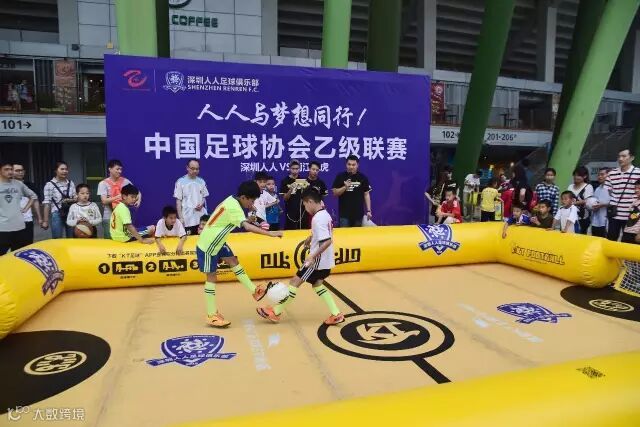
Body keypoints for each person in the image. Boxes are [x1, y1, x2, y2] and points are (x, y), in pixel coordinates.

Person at [197, 180, 284, 328]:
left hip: (219, 241)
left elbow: (230, 219)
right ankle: (211, 315)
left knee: (233, 261)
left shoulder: (232, 200)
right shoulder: (235, 207)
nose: (252, 204)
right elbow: (247, 228)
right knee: (211, 277)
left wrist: (247, 219)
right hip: (209, 244)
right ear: (243, 197)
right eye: (251, 201)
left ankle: (254, 291)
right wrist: (271, 234)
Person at [256, 187, 344, 326]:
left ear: (310, 202)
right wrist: (311, 237)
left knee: (294, 282)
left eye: (304, 204)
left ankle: (276, 312)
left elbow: (327, 241)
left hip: (316, 261)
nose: (305, 208)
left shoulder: (318, 219)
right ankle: (336, 314)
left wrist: (312, 256)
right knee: (317, 285)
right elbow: (324, 233)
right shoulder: (324, 213)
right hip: (326, 261)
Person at [0, 160, 37, 254]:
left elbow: (33, 196)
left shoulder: (18, 184)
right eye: (6, 169)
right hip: (2, 227)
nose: (10, 172)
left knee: (18, 254)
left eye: (11, 169)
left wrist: (26, 208)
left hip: (19, 226)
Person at [605, 149, 640, 241]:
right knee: (611, 239)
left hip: (632, 214)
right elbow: (608, 191)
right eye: (619, 156)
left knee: (628, 241)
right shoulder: (612, 173)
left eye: (624, 156)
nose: (620, 159)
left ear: (632, 158)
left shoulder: (638, 173)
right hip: (615, 213)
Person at [98, 159, 137, 239]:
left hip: (123, 216)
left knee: (125, 238)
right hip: (109, 216)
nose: (120, 171)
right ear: (110, 169)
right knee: (109, 240)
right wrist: (118, 196)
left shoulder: (125, 181)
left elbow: (137, 192)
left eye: (121, 169)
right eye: (117, 169)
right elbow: (104, 201)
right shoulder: (103, 183)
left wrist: (138, 200)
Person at [332, 155, 372, 227]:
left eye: (353, 165)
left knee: (357, 234)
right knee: (344, 233)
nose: (351, 167)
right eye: (349, 164)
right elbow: (335, 193)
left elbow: (366, 194)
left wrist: (368, 210)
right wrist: (345, 187)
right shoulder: (340, 176)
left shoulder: (362, 178)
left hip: (358, 214)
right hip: (344, 215)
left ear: (357, 165)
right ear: (346, 164)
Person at [42, 161, 77, 239]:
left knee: (72, 237)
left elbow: (75, 198)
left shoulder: (71, 183)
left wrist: (73, 199)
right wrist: (45, 221)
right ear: (56, 170)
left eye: (66, 169)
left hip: (71, 213)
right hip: (57, 213)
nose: (65, 171)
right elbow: (47, 203)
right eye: (62, 169)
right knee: (57, 238)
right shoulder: (49, 185)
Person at [174, 159, 209, 235]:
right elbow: (178, 201)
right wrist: (181, 218)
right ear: (187, 168)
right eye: (193, 168)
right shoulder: (180, 181)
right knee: (188, 240)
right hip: (187, 219)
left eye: (197, 169)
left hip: (201, 218)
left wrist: (201, 204)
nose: (195, 171)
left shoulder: (201, 181)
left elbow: (204, 197)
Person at [12, 163, 43, 247]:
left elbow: (35, 201)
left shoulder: (30, 185)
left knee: (28, 245)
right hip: (12, 221)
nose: (20, 172)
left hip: (27, 219)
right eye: (17, 171)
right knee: (15, 246)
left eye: (21, 170)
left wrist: (39, 218)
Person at [568, 166, 593, 235]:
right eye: (575, 175)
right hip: (570, 217)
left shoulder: (588, 186)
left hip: (583, 217)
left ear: (585, 176)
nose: (576, 177)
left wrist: (572, 203)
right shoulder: (570, 186)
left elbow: (587, 201)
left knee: (581, 236)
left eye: (578, 175)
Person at [302, 161, 328, 229]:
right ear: (309, 169)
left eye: (317, 170)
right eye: (313, 169)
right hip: (304, 212)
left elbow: (324, 196)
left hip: (317, 212)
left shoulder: (321, 183)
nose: (315, 171)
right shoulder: (303, 182)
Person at [280, 160, 304, 230]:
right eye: (293, 169)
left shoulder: (303, 181)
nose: (295, 171)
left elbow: (306, 196)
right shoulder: (285, 181)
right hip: (290, 211)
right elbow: (285, 198)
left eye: (297, 169)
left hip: (302, 211)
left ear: (299, 169)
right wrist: (290, 189)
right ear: (289, 169)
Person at [590, 168, 611, 238]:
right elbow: (594, 202)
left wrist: (602, 205)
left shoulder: (612, 188)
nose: (599, 176)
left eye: (602, 174)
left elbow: (615, 203)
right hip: (595, 221)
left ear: (609, 175)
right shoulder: (597, 189)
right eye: (598, 175)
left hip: (606, 222)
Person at [621, 179, 640, 244]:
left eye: (639, 188)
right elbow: (633, 217)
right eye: (635, 188)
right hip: (627, 232)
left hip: (636, 234)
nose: (636, 190)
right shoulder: (635, 201)